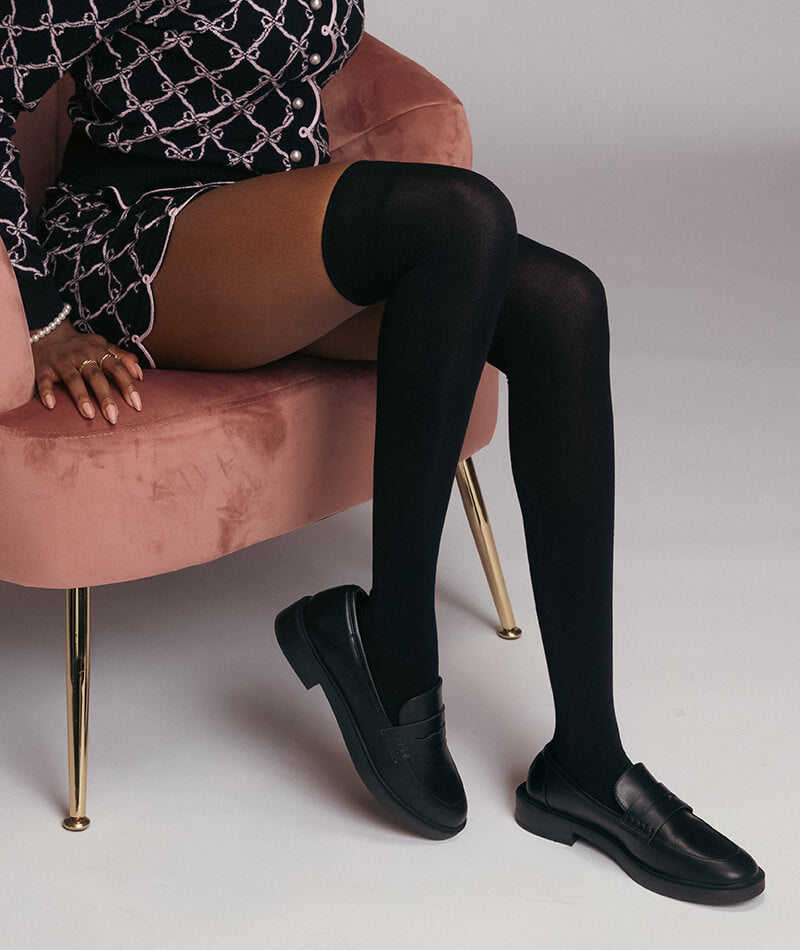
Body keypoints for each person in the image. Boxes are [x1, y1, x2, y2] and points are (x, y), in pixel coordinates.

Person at [2, 2, 764, 905]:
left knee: (564, 307)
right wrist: (41, 317)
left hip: (278, 227)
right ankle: (394, 647)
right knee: (461, 218)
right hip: (145, 236)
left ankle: (588, 762)